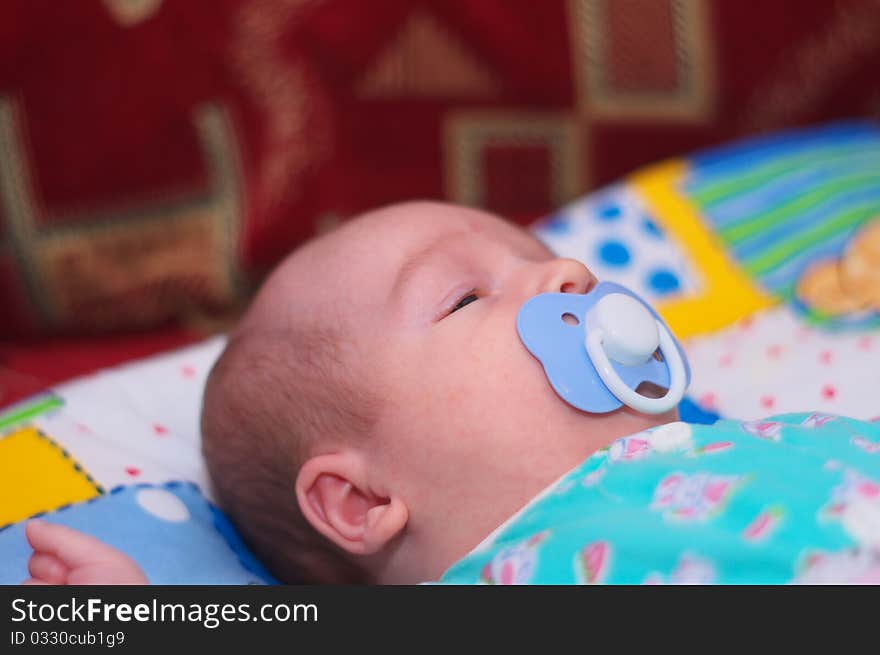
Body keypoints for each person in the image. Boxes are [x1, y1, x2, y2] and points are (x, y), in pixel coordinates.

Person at [21, 202, 880, 585]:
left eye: (536, 257)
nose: (568, 271)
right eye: (466, 297)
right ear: (360, 501)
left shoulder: (765, 431)